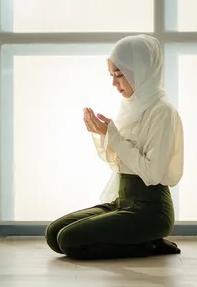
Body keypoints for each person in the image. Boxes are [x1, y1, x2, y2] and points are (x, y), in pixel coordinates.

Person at [45, 34, 184, 260]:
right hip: (122, 202)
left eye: (119, 75)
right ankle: (140, 239)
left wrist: (114, 137)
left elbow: (153, 172)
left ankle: (148, 244)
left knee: (69, 241)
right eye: (111, 75)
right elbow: (120, 162)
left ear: (141, 70)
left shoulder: (162, 112)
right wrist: (103, 135)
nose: (114, 83)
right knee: (54, 234)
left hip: (150, 210)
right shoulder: (131, 107)